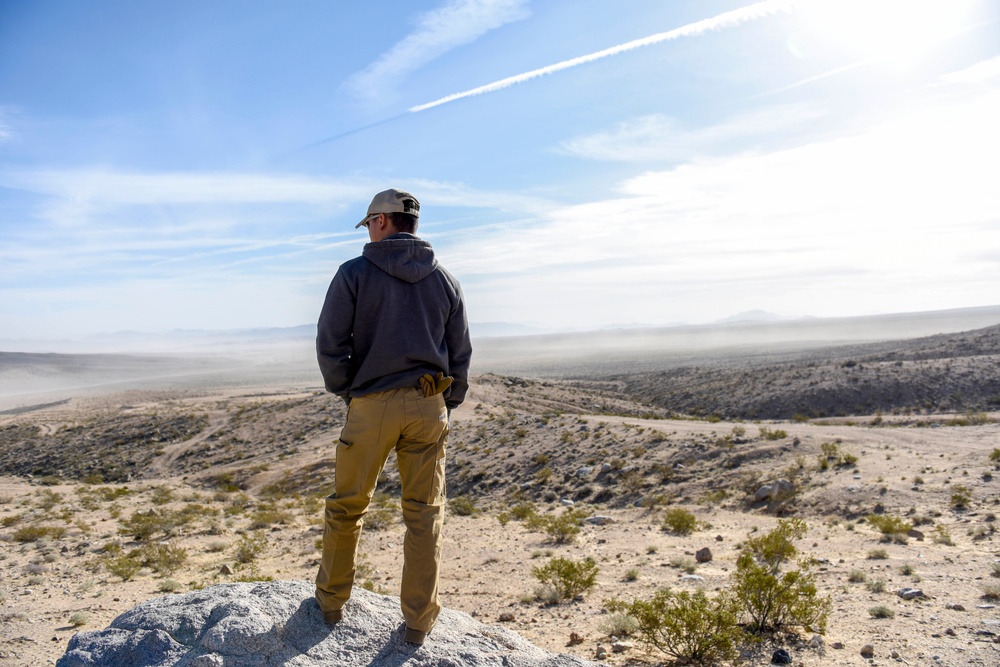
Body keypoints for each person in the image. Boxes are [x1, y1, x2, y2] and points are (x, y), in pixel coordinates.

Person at [314, 188, 472, 646]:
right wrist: (447, 401)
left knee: (347, 506)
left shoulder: (354, 274)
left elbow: (330, 345)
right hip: (429, 405)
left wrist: (351, 391)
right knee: (425, 516)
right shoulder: (445, 278)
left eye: (368, 224)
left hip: (372, 405)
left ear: (381, 222)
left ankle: (329, 605)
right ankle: (419, 623)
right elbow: (459, 352)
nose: (369, 230)